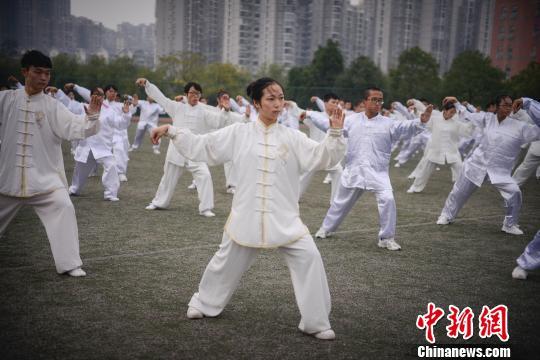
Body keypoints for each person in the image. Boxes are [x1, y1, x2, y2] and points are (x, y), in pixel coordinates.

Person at [150, 77, 346, 340]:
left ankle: (316, 322)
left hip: (285, 219)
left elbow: (322, 157)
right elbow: (203, 146)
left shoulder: (293, 137)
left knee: (309, 257)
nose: (278, 104)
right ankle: (203, 303)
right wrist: (171, 130)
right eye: (270, 98)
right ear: (256, 103)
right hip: (246, 215)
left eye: (280, 98)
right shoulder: (239, 133)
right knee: (224, 261)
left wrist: (334, 134)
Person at [0, 50, 102, 276]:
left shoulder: (52, 105)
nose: (44, 78)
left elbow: (76, 127)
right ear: (25, 72)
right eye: (38, 72)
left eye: (47, 73)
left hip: (44, 180)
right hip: (6, 180)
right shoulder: (5, 100)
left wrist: (92, 116)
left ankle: (70, 264)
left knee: (63, 206)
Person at [315, 87, 433, 251]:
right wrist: (308, 115)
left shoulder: (388, 123)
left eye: (380, 100)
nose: (378, 103)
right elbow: (330, 126)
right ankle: (325, 229)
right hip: (354, 170)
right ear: (365, 102)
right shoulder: (351, 120)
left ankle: (386, 238)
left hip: (378, 173)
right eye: (374, 100)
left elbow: (405, 127)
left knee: (388, 200)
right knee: (340, 203)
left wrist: (421, 121)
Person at [136, 78, 243, 217]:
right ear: (186, 94)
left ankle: (206, 208)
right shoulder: (176, 107)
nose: (195, 96)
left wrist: (225, 110)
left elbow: (218, 122)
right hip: (176, 150)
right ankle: (158, 202)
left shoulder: (204, 111)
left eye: (198, 94)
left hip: (196, 151)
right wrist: (148, 85)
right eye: (192, 93)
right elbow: (160, 98)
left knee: (204, 176)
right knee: (168, 178)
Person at [436, 95, 540, 235]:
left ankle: (509, 224)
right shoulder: (487, 118)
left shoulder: (521, 127)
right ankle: (446, 215)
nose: (509, 108)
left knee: (514, 193)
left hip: (500, 171)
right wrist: (456, 103)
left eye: (510, 105)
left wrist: (527, 103)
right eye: (505, 105)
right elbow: (468, 114)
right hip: (476, 165)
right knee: (458, 192)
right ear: (497, 107)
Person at [67, 83, 132, 201]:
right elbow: (67, 104)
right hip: (85, 147)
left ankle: (111, 194)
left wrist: (126, 113)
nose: (99, 97)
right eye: (96, 94)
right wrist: (57, 93)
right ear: (91, 96)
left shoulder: (110, 111)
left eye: (101, 95)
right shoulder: (83, 107)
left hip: (103, 148)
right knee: (79, 171)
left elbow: (121, 124)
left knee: (111, 166)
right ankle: (74, 189)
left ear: (103, 97)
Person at [407, 100, 474, 193]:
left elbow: (467, 130)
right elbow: (424, 118)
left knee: (461, 170)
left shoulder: (456, 122)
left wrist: (474, 121)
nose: (452, 115)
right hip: (435, 150)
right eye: (451, 112)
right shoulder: (435, 118)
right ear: (445, 110)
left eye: (454, 113)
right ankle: (415, 187)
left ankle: (463, 189)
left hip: (451, 151)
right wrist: (416, 111)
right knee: (424, 171)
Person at [512, 97, 540, 186]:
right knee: (521, 165)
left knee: (523, 168)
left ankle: (511, 188)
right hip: (531, 142)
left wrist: (526, 102)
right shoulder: (522, 112)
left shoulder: (527, 112)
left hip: (533, 143)